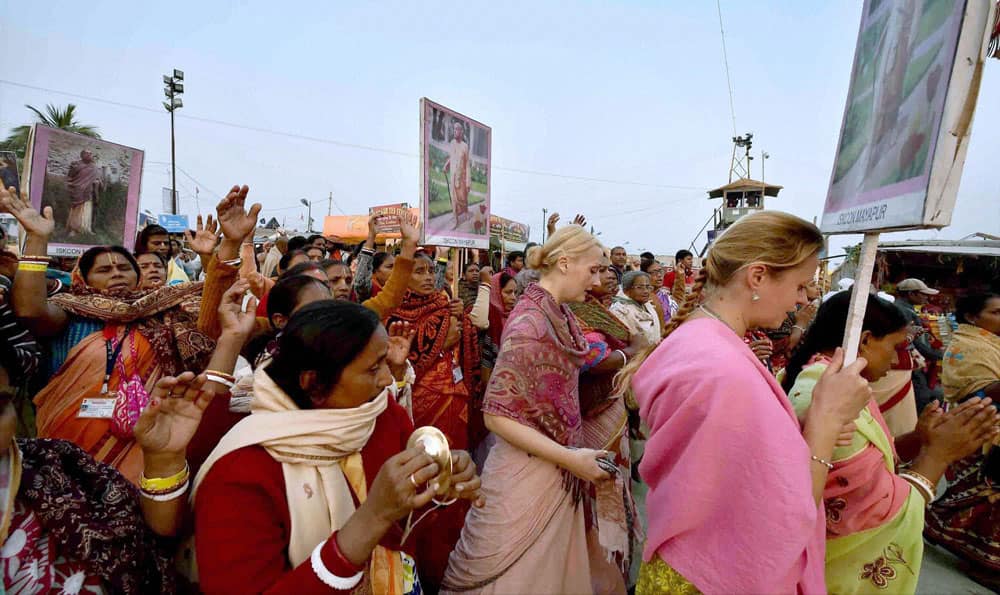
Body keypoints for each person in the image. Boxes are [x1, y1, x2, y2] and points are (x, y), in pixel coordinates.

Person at [617, 211, 873, 593]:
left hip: (685, 562)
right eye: (801, 285)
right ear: (757, 277)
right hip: (711, 575)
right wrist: (826, 421)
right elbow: (782, 513)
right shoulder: (723, 370)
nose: (803, 300)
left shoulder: (704, 339)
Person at [193, 300, 484, 594]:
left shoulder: (382, 414)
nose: (386, 380)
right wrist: (371, 518)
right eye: (372, 369)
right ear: (314, 385)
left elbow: (405, 526)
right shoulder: (241, 474)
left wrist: (439, 484)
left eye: (385, 361)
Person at [1, 185, 255, 483]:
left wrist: (229, 247)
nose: (117, 273)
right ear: (82, 279)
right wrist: (36, 238)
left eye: (123, 267)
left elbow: (211, 322)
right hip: (69, 444)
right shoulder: (69, 313)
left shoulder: (166, 311)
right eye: (104, 270)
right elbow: (31, 310)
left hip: (151, 443)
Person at [783, 291, 999, 594]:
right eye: (896, 347)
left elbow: (871, 460)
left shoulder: (833, 380)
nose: (900, 360)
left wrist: (920, 440)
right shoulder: (827, 393)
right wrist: (937, 456)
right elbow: (872, 513)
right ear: (866, 340)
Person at [442, 225, 614, 594]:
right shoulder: (530, 322)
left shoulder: (559, 314)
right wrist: (569, 459)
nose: (598, 282)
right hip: (528, 472)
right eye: (594, 270)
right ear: (565, 264)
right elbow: (497, 415)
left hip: (555, 464)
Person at [568, 252, 646, 589]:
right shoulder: (573, 311)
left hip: (611, 411)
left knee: (616, 484)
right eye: (596, 270)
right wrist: (630, 352)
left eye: (607, 271)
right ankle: (600, 571)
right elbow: (589, 360)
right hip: (591, 417)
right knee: (598, 491)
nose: (605, 278)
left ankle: (617, 565)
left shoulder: (600, 312)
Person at [925, 292, 1000, 589]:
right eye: (996, 312)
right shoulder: (967, 347)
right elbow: (981, 392)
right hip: (983, 429)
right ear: (971, 317)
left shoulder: (991, 343)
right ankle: (985, 564)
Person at [387, 253, 479, 450]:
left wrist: (461, 318)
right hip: (419, 398)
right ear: (402, 275)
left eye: (431, 271)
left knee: (453, 460)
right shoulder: (391, 313)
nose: (428, 277)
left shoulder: (444, 305)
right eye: (419, 272)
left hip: (455, 394)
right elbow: (394, 364)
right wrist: (441, 345)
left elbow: (464, 341)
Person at [895, 278, 944, 411]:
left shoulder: (903, 308)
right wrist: (939, 355)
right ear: (911, 294)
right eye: (923, 294)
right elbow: (915, 342)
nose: (926, 297)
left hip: (907, 359)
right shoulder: (904, 312)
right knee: (923, 398)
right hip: (908, 360)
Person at [610, 271, 660, 348]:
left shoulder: (647, 305)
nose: (646, 291)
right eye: (640, 287)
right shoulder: (620, 311)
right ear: (626, 291)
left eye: (648, 287)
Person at [65, 150, 104, 236]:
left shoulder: (93, 167)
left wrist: (98, 182)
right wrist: (74, 185)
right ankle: (73, 230)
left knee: (87, 210)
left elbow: (97, 178)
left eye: (91, 153)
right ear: (82, 155)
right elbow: (70, 177)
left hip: (88, 192)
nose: (90, 155)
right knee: (77, 210)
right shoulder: (76, 165)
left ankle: (86, 229)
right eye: (87, 153)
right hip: (78, 191)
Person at [443, 121, 471, 229]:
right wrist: (446, 165)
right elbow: (452, 157)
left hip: (462, 178)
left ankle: (466, 210)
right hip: (452, 176)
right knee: (454, 198)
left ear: (462, 131)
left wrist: (468, 182)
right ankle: (456, 219)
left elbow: (467, 164)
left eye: (457, 129)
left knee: (463, 198)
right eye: (454, 129)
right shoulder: (452, 143)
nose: (455, 131)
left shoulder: (465, 146)